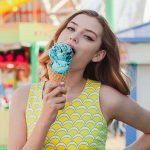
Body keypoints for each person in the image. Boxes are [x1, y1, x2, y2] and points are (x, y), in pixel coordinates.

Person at [8, 10, 150, 150]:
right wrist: (45, 117)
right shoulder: (23, 96)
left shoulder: (105, 98)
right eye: (70, 28)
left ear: (98, 55)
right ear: (58, 37)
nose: (74, 37)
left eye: (88, 37)